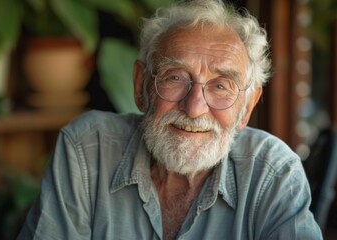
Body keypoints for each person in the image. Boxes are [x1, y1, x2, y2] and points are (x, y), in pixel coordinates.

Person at [18, 0, 323, 239]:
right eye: (175, 77)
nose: (193, 108)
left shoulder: (273, 173)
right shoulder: (88, 149)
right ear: (141, 85)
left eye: (220, 86)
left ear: (246, 107)